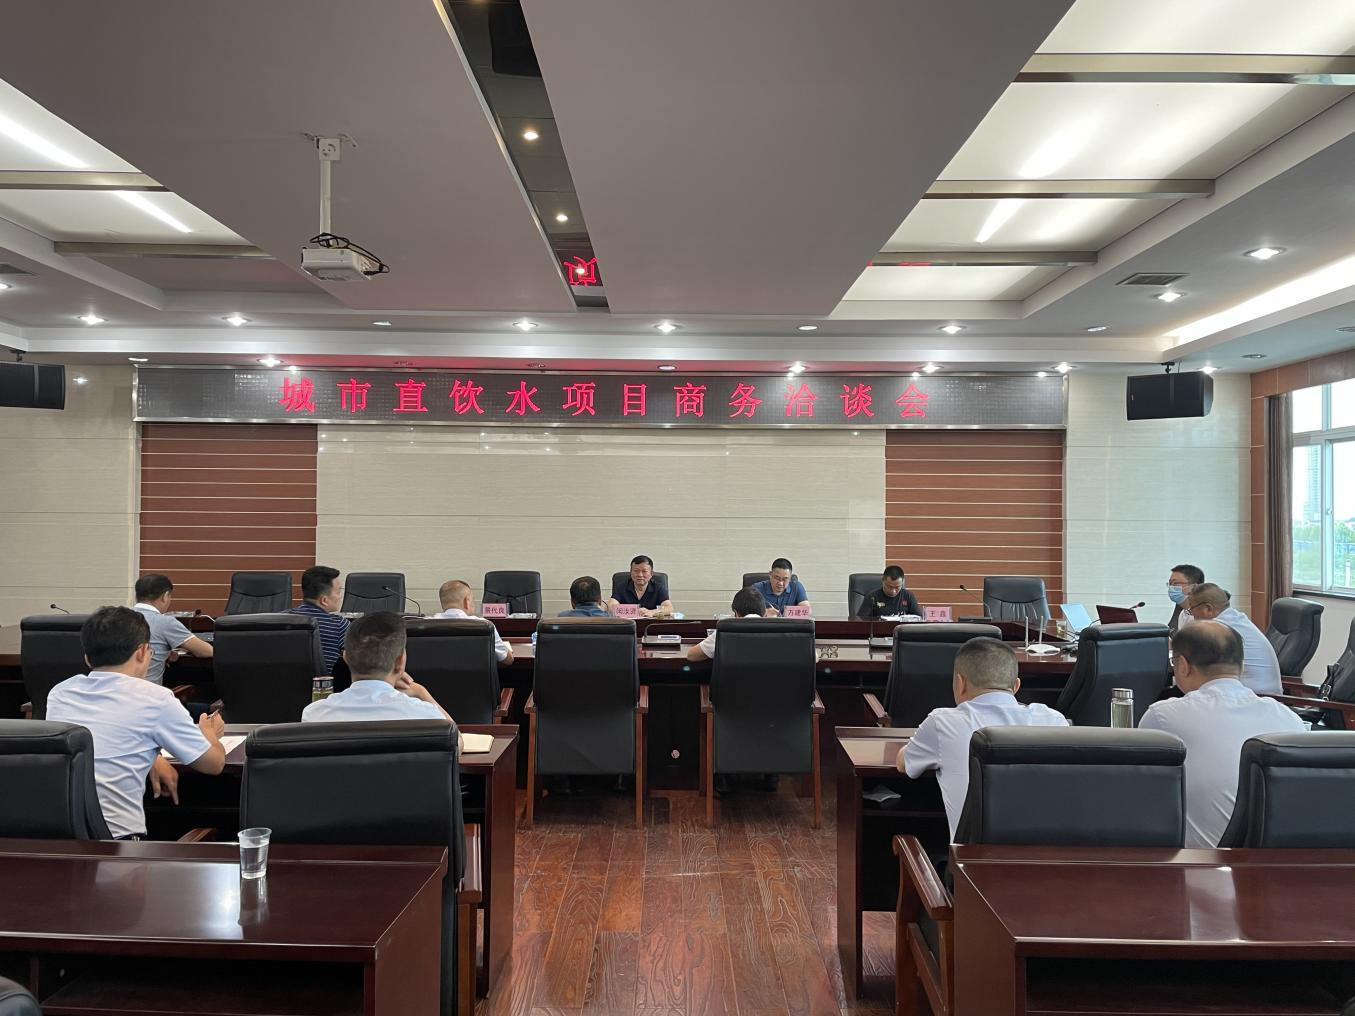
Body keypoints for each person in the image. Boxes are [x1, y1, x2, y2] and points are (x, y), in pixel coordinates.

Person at [46, 606, 226, 840]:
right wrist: (209, 732)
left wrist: (153, 757)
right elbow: (213, 765)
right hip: (119, 847)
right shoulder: (155, 698)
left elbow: (103, 736)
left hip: (62, 840)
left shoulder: (61, 693)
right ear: (142, 652)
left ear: (87, 658)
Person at [1139, 621, 1304, 847]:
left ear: (1183, 665)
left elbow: (1139, 792)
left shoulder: (1163, 716)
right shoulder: (1289, 718)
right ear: (1242, 666)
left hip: (1198, 863)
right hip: (1278, 861)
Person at [898, 636, 1068, 839]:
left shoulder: (942, 722)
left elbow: (904, 764)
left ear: (960, 683)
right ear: (1016, 686)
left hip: (971, 860)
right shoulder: (1054, 721)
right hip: (1048, 857)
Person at [302, 611, 451, 723]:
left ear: (346, 658)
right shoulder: (424, 714)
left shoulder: (315, 714)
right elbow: (454, 742)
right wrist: (420, 691)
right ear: (399, 663)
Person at [1180, 583, 1281, 695]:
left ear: (1208, 609)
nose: (1193, 616)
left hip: (1254, 697)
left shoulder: (1219, 628)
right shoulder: (1236, 618)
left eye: (1191, 610)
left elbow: (1195, 663)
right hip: (1259, 694)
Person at [130, 573, 213, 686]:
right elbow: (206, 651)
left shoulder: (118, 617)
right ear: (165, 596)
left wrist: (162, 652)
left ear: (136, 595)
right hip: (147, 693)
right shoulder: (165, 622)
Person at [288, 565, 350, 675]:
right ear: (324, 600)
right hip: (325, 685)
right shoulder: (339, 625)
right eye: (338, 592)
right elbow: (356, 661)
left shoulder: (281, 620)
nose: (340, 597)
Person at [434, 579, 513, 662]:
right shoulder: (484, 626)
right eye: (473, 600)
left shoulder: (427, 625)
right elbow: (507, 659)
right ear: (466, 602)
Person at [688, 587, 767, 661]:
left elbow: (692, 655)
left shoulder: (726, 629)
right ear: (765, 614)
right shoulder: (773, 629)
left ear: (736, 613)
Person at [608, 555, 673, 616]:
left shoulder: (659, 588)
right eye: (636, 571)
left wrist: (651, 612)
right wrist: (635, 611)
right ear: (631, 572)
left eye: (644, 571)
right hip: (628, 623)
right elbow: (611, 607)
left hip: (651, 623)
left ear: (651, 573)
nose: (640, 575)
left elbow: (669, 608)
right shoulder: (621, 587)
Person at [857, 565, 921, 619]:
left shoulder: (908, 596)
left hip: (901, 629)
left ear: (902, 582)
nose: (893, 591)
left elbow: (919, 618)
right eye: (889, 587)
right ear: (883, 581)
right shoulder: (872, 597)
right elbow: (861, 621)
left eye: (897, 587)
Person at [1168, 564, 1204, 632]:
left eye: (1175, 583)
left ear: (1194, 586)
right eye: (1170, 583)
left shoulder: (1205, 615)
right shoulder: (1183, 613)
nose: (1171, 587)